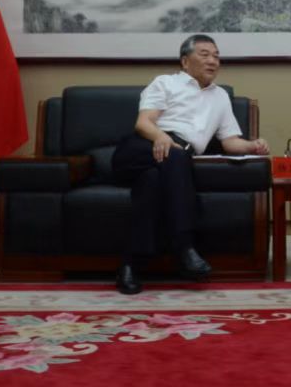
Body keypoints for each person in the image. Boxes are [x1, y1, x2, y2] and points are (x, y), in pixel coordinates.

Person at [111, 34, 269, 295]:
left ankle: (130, 265)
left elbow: (230, 141)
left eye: (216, 56)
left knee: (151, 183)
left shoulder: (220, 96)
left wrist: (253, 146)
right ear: (185, 61)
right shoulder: (165, 83)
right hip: (141, 148)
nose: (213, 61)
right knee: (176, 155)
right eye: (204, 54)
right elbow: (143, 123)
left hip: (172, 160)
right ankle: (184, 247)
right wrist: (161, 137)